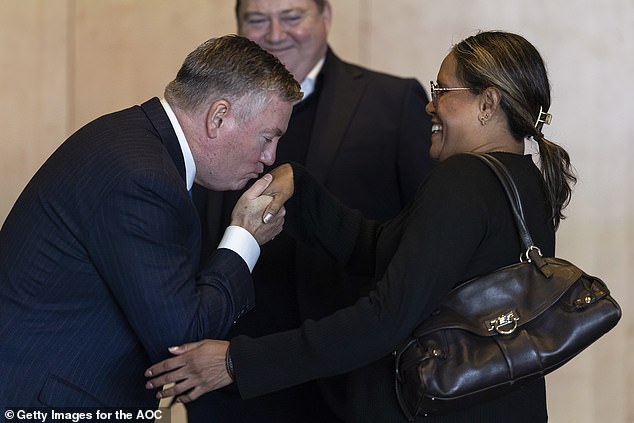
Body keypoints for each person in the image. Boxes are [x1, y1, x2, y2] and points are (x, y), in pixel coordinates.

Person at [146, 31, 576, 422]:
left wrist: (237, 362)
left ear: (488, 104)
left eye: (443, 90)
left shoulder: (465, 179)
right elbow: (383, 251)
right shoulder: (526, 180)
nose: (430, 104)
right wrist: (300, 185)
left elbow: (383, 320)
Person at [0, 35, 301, 409]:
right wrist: (245, 238)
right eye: (268, 137)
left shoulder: (136, 142)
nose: (270, 157)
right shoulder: (144, 177)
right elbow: (182, 341)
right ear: (218, 117)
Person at [192, 0, 433, 421]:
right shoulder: (211, 108)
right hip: (232, 381)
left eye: (291, 17)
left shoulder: (392, 102)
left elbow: (424, 236)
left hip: (352, 378)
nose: (274, 33)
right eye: (257, 19)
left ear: (325, 17)